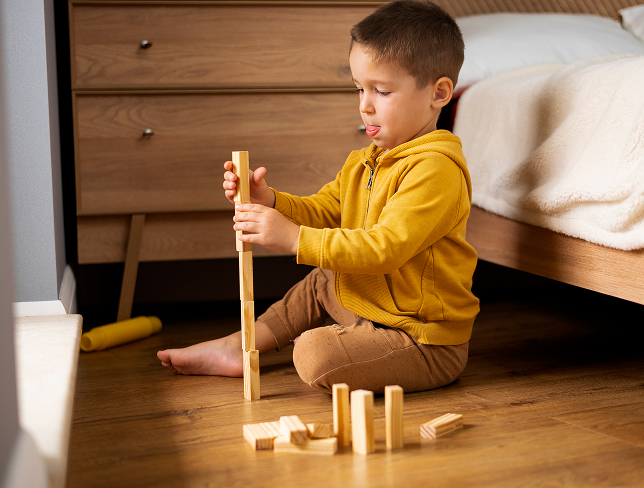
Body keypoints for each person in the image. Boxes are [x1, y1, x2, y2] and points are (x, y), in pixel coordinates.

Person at [157, 0, 479, 394]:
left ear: (439, 93)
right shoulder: (365, 162)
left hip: (422, 340)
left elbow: (386, 248)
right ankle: (238, 347)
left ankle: (338, 343)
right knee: (323, 279)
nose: (365, 105)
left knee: (313, 354)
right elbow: (325, 211)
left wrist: (293, 238)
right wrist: (270, 201)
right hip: (374, 308)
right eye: (360, 89)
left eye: (382, 90)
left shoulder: (436, 169)